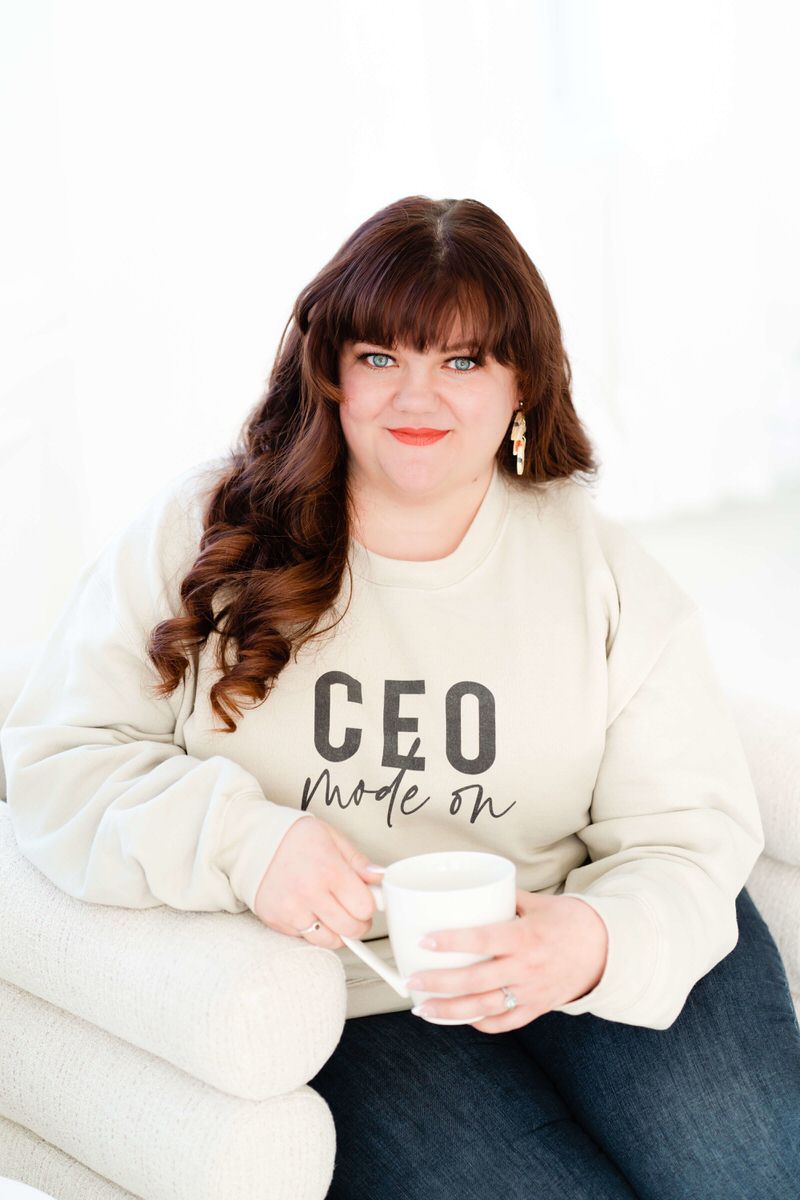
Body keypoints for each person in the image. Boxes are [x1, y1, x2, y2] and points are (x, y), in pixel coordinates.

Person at [2, 195, 799, 1198]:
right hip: (362, 1000)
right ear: (330, 372)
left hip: (584, 940)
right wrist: (247, 845)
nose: (417, 397)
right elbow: (58, 757)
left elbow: (685, 831)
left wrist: (591, 940)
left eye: (461, 361)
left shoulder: (595, 566)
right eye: (381, 356)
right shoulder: (202, 531)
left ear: (520, 384)